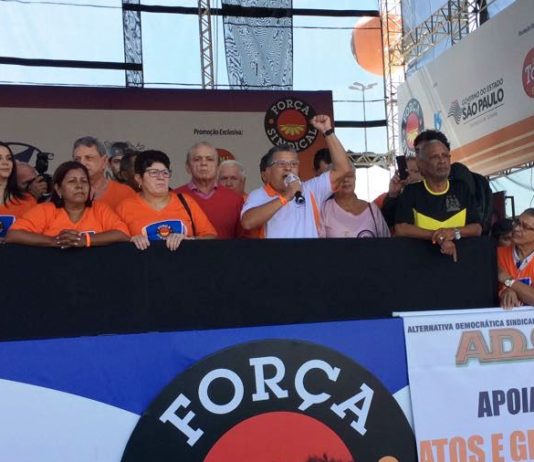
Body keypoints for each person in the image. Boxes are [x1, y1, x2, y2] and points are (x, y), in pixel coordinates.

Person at [241, 114, 352, 238]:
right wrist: (286, 196)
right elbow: (247, 222)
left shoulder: (311, 189)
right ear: (268, 171)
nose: (288, 168)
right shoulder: (258, 195)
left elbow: (344, 169)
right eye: (281, 164)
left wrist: (328, 131)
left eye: (293, 164)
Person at [394, 129, 482, 261]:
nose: (442, 161)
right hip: (421, 264)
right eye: (435, 157)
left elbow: (477, 228)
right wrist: (437, 236)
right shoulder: (411, 192)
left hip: (460, 262)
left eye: (445, 156)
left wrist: (453, 232)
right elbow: (401, 228)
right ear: (422, 163)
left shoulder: (461, 188)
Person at [6, 161, 129, 248]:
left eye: (84, 181)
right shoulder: (46, 210)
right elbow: (14, 234)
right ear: (58, 189)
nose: (79, 186)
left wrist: (84, 240)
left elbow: (122, 234)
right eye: (72, 181)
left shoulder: (99, 209)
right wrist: (54, 241)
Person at [116, 150, 217, 251]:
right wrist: (130, 241)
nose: (161, 177)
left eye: (165, 172)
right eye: (153, 173)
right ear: (139, 178)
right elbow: (116, 244)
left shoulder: (186, 201)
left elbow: (211, 236)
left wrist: (190, 240)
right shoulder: (125, 207)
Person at [174, 142, 243, 239]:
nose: (203, 163)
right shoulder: (174, 197)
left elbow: (244, 241)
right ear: (188, 167)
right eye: (197, 159)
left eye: (209, 159)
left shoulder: (235, 199)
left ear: (218, 167)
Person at [321, 163, 390, 238]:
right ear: (331, 181)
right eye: (340, 177)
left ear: (355, 178)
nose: (346, 180)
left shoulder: (372, 209)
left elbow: (386, 241)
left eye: (350, 175)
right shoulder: (324, 209)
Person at [73, 136, 136, 210]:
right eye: (77, 159)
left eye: (89, 158)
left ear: (104, 161)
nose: (82, 163)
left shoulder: (125, 193)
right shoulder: (67, 193)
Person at [0, 142, 37, 241]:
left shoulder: (28, 201)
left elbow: (36, 237)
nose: (5, 163)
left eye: (9, 158)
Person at [498, 209, 534, 309]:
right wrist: (506, 291)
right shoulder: (495, 255)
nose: (516, 228)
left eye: (525, 227)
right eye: (517, 222)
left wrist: (507, 280)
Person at [375, 156, 423, 227]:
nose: (410, 175)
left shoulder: (431, 196)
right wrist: (392, 195)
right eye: (406, 171)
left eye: (416, 171)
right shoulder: (384, 198)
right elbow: (381, 224)